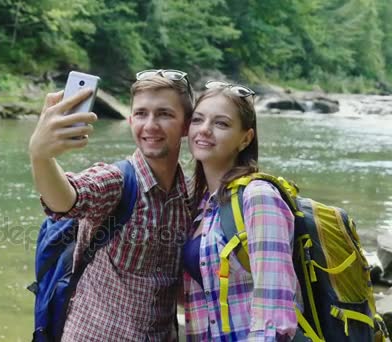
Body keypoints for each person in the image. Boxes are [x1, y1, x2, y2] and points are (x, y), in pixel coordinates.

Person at [29, 69, 194, 341]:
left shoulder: (189, 195)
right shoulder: (116, 181)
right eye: (141, 114)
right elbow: (65, 199)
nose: (150, 125)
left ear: (186, 126)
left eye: (164, 114)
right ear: (130, 120)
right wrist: (41, 156)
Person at [182, 81, 301, 341]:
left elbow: (275, 313)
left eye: (221, 124)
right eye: (198, 120)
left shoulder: (258, 197)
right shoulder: (200, 204)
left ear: (246, 138)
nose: (204, 130)